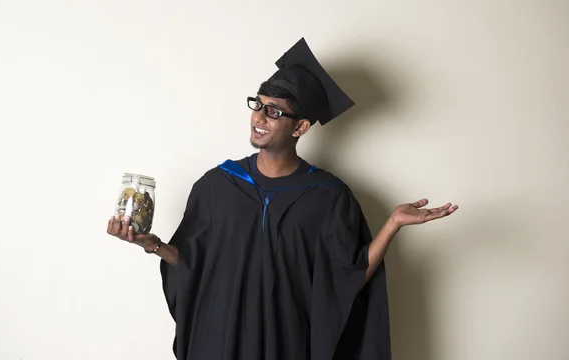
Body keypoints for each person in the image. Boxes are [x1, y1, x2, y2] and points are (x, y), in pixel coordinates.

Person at [107, 38, 458, 360]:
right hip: (221, 343)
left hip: (287, 344)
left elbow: (345, 278)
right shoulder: (217, 186)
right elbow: (195, 267)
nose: (258, 117)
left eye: (273, 111)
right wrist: (154, 245)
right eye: (257, 105)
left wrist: (393, 224)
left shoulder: (328, 197)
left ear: (300, 127)